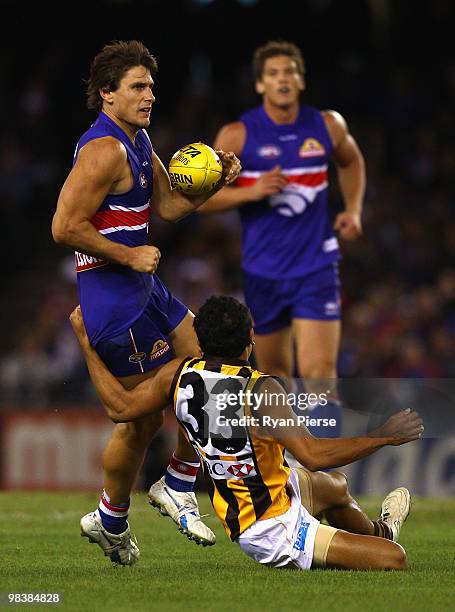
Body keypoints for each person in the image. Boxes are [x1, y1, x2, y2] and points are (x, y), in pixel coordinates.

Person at [52, 40, 241, 565]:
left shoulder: (137, 141)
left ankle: (133, 506)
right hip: (116, 302)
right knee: (149, 414)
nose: (149, 94)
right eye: (137, 86)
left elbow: (170, 204)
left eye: (151, 86)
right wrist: (127, 255)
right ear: (107, 94)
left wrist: (212, 186)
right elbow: (63, 226)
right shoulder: (102, 151)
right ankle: (156, 495)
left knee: (217, 362)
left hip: (143, 289)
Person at [69, 296, 424, 571]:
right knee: (394, 559)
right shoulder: (262, 390)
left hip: (254, 499)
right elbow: (313, 455)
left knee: (336, 487)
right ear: (250, 338)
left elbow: (119, 408)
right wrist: (383, 436)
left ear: (200, 339)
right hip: (272, 527)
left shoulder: (177, 374)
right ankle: (360, 543)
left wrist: (86, 344)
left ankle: (381, 529)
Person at [198, 40, 366, 437]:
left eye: (289, 72)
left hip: (316, 267)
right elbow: (198, 200)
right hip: (263, 272)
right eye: (273, 74)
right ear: (260, 85)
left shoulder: (327, 125)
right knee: (273, 378)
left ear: (301, 80)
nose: (282, 80)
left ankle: (325, 476)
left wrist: (353, 209)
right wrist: (250, 192)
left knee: (320, 375)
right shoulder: (237, 135)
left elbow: (352, 160)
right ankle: (288, 476)